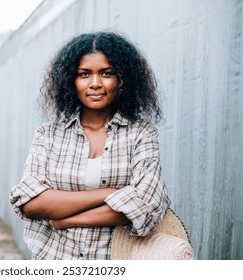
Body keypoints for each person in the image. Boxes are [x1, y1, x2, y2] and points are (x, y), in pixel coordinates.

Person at [9, 32, 171, 260]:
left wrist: (67, 219)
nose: (95, 84)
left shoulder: (141, 134)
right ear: (70, 81)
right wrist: (109, 193)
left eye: (106, 74)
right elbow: (31, 203)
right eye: (84, 74)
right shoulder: (48, 135)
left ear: (123, 79)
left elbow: (147, 205)